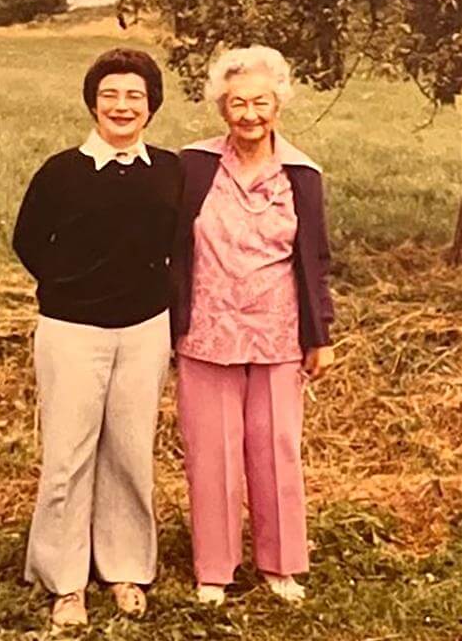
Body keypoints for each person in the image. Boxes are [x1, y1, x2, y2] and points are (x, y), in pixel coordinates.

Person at [13, 48, 181, 629]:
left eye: (135, 95)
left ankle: (126, 569)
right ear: (93, 102)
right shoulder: (61, 172)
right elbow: (28, 241)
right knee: (68, 455)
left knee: (131, 452)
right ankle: (65, 582)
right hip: (71, 331)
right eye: (110, 94)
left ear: (151, 106)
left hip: (144, 330)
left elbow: (178, 247)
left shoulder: (169, 170)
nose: (122, 105)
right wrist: (70, 287)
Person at [170, 45, 335, 606]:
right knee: (210, 453)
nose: (249, 115)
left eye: (260, 102)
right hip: (206, 332)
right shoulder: (192, 166)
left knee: (276, 448)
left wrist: (321, 335)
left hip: (278, 332)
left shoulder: (302, 174)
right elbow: (170, 247)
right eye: (237, 103)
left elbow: (315, 259)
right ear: (222, 108)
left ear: (278, 104)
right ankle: (214, 570)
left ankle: (281, 565)